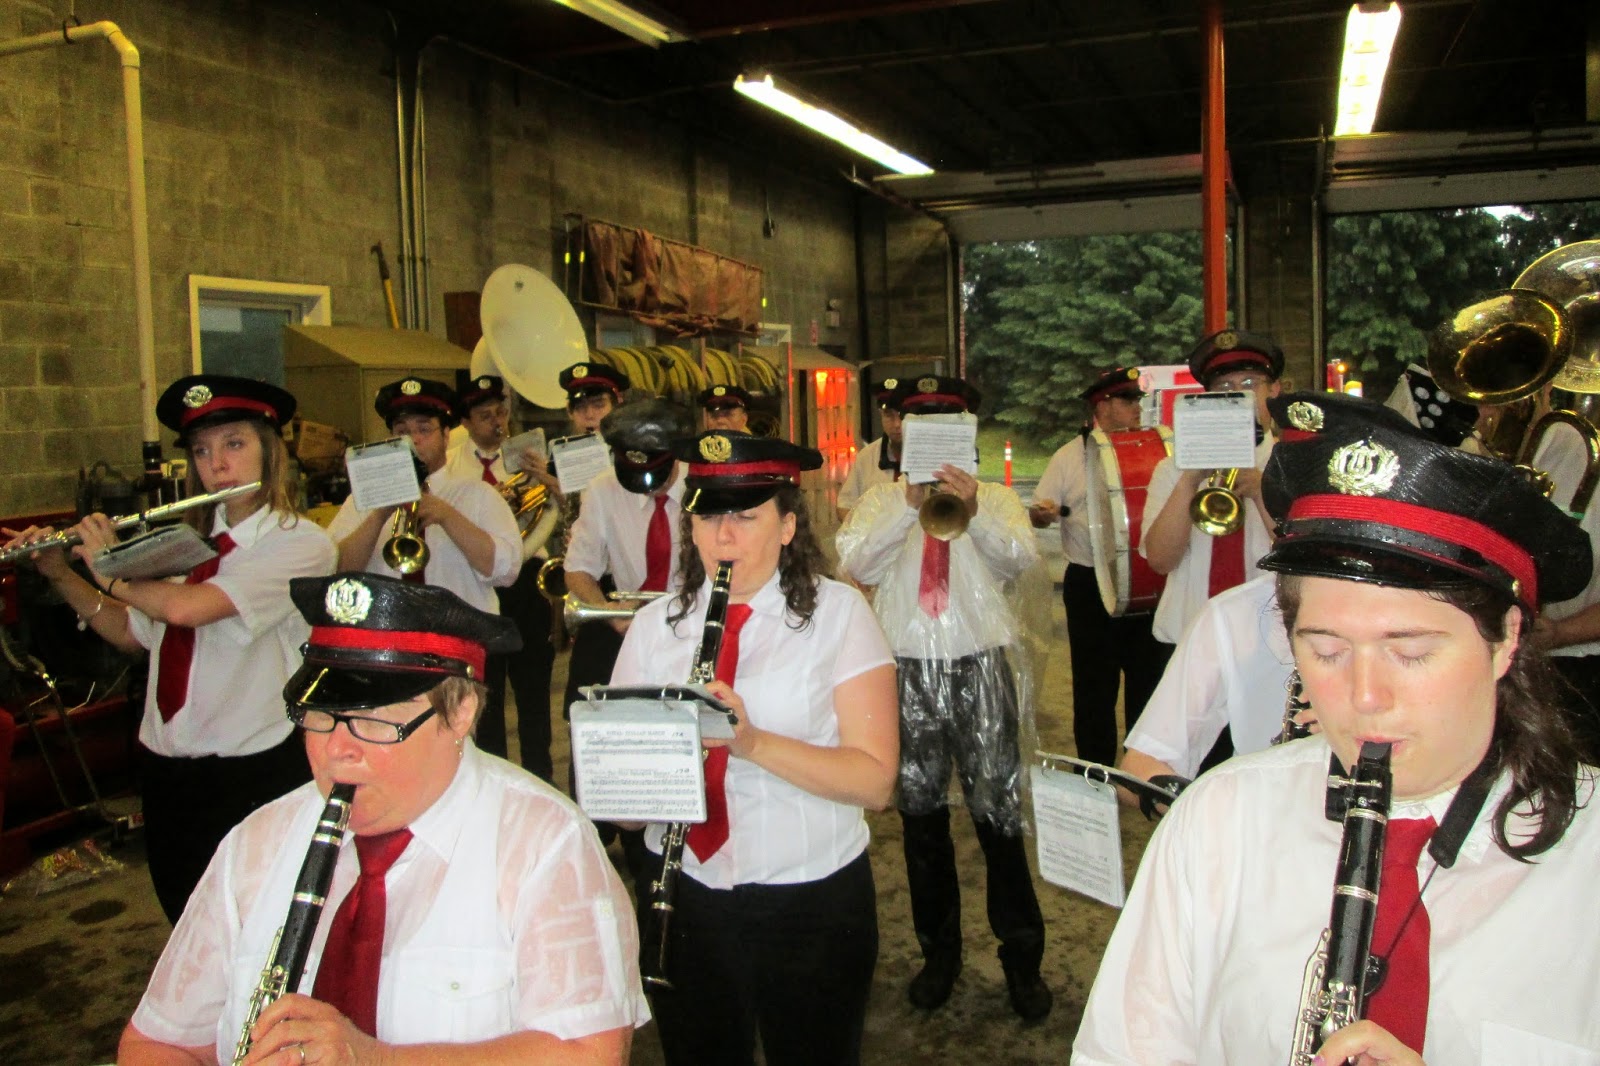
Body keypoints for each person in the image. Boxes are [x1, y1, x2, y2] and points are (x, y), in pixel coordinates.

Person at [1074, 391, 1600, 1065]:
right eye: (1324, 650)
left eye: (1410, 650)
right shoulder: (1217, 823)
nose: (1363, 697)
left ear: (1505, 640)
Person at [118, 573, 650, 1064]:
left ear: (460, 710)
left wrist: (374, 1059)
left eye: (371, 721)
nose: (337, 751)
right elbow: (158, 1040)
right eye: (321, 716)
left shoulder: (544, 843)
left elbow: (589, 1053)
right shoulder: (255, 844)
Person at [2, 375, 337, 923]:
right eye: (202, 451)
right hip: (166, 773)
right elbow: (133, 633)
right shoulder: (182, 547)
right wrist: (59, 572)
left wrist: (109, 566)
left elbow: (188, 609)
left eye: (235, 444)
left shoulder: (300, 544)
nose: (217, 465)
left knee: (256, 932)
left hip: (252, 775)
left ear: (271, 453)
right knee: (186, 931)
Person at [610, 432, 898, 1066]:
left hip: (811, 898)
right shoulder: (657, 626)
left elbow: (876, 783)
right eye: (709, 514)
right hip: (686, 891)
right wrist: (635, 775)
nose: (723, 536)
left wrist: (752, 741)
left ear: (789, 525)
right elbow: (627, 811)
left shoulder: (841, 615)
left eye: (746, 515)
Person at [835, 375, 1052, 1021]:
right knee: (922, 821)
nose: (925, 430)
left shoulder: (995, 497)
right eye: (916, 420)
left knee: (999, 818)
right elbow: (856, 566)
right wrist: (908, 503)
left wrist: (975, 513)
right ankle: (940, 955)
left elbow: (1021, 562)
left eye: (947, 421)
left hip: (980, 663)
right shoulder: (878, 498)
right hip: (903, 667)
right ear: (899, 430)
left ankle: (1022, 959)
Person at [327, 377, 521, 756]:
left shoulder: (475, 493)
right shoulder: (361, 500)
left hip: (461, 654)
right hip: (387, 652)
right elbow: (337, 570)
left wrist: (448, 516)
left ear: (446, 434)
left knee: (476, 752)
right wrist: (379, 513)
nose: (414, 439)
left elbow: (506, 570)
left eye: (424, 429)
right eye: (402, 431)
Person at [1029, 365, 1172, 768]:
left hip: (1147, 579)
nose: (1136, 409)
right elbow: (1039, 512)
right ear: (1101, 406)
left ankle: (1142, 771)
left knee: (1149, 681)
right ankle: (1095, 771)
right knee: (1094, 685)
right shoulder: (1069, 456)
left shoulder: (1158, 452)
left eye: (1137, 401)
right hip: (1089, 582)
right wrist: (1043, 514)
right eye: (1127, 401)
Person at [445, 373, 559, 781]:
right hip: (479, 583)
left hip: (527, 581)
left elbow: (549, 513)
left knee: (533, 694)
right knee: (484, 696)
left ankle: (542, 779)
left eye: (500, 412)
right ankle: (492, 781)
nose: (497, 422)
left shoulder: (528, 458)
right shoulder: (453, 468)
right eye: (484, 415)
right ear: (465, 422)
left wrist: (549, 483)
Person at [1140, 329, 1283, 645]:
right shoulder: (1172, 470)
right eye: (1225, 386)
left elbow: (1301, 557)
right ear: (1210, 398)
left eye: (1249, 384)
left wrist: (1262, 492)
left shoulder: (1295, 465)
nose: (1239, 395)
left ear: (1274, 391)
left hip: (1272, 640)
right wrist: (1190, 480)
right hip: (1191, 635)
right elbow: (1160, 561)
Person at [836, 378, 905, 519]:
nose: (897, 424)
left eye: (902, 416)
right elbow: (844, 506)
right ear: (880, 414)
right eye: (889, 416)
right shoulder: (867, 456)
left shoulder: (929, 454)